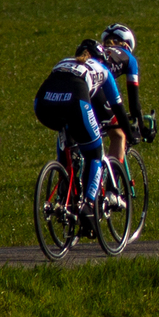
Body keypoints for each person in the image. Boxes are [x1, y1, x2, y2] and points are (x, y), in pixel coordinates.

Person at [34, 40, 124, 224]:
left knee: (67, 133)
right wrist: (130, 133)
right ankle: (88, 205)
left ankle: (64, 191)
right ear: (101, 58)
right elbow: (118, 108)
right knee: (95, 152)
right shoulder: (102, 69)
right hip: (74, 102)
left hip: (42, 105)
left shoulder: (64, 61)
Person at [98, 24, 154, 167]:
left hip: (78, 88)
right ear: (128, 44)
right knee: (119, 135)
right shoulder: (129, 58)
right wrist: (142, 128)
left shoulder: (98, 51)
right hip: (97, 92)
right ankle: (112, 185)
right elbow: (134, 104)